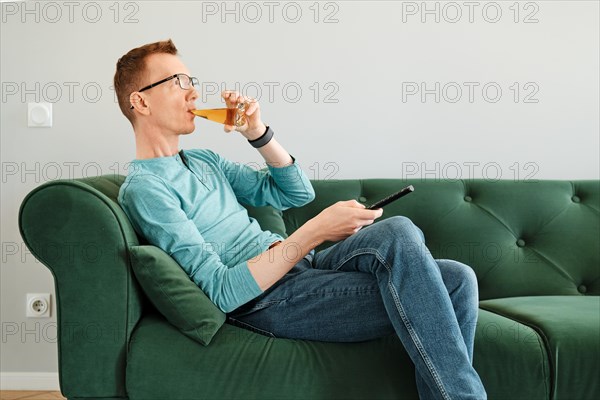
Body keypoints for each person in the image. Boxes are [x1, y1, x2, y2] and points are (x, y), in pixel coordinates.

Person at [115, 39, 487, 399]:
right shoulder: (146, 189)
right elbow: (223, 293)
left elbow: (297, 193)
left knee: (442, 264)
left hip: (303, 268)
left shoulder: (204, 161)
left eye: (191, 81)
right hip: (265, 300)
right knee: (452, 285)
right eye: (178, 82)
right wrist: (313, 233)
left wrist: (257, 133)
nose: (193, 93)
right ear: (140, 101)